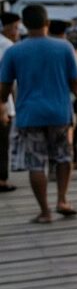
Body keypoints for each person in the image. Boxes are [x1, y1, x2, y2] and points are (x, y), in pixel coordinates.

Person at [0, 5, 77, 222]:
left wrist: (2, 104)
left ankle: (45, 211)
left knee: (36, 163)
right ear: (47, 23)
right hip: (60, 113)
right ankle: (62, 199)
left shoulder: (15, 51)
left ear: (24, 24)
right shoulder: (64, 48)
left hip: (30, 115)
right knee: (63, 157)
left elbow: (4, 87)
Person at [0, 10, 20, 194]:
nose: (17, 31)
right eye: (15, 27)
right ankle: (2, 180)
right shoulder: (7, 46)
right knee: (2, 143)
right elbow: (7, 79)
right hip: (4, 104)